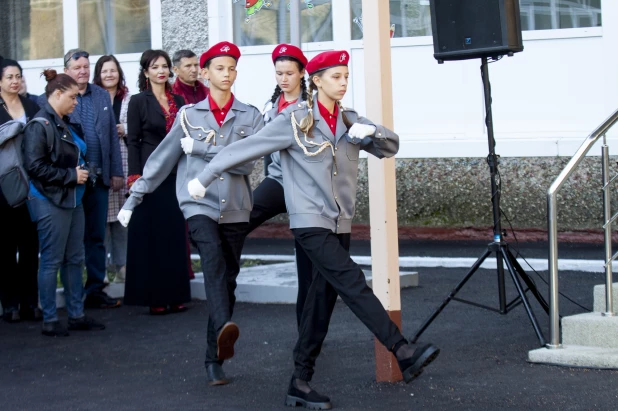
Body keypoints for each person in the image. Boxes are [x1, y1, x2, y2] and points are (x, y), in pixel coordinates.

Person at [185, 50, 440, 409]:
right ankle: (402, 349)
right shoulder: (294, 120)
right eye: (336, 76)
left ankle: (299, 382)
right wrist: (204, 177)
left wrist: (374, 132)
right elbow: (244, 149)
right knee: (351, 280)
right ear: (316, 81)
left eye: (346, 76)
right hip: (309, 222)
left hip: (340, 223)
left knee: (320, 304)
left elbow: (391, 146)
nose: (343, 82)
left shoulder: (351, 121)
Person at [118, 41, 264, 386]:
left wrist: (202, 148)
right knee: (211, 259)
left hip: (236, 207)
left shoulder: (251, 115)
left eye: (231, 69)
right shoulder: (188, 116)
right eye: (219, 68)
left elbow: (246, 163)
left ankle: (216, 350)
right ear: (205, 73)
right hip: (198, 204)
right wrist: (133, 198)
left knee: (227, 278)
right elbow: (162, 159)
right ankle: (221, 340)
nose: (226, 74)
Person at [23, 69, 105, 336]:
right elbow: (34, 166)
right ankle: (50, 320)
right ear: (57, 95)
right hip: (51, 200)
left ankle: (76, 315)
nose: (76, 102)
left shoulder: (63, 121)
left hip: (72, 199)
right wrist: (72, 175)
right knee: (51, 260)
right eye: (72, 97)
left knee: (75, 258)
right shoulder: (40, 125)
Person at [245, 44, 313, 328]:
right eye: (279, 73)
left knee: (307, 264)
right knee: (241, 217)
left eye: (289, 73)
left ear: (301, 74)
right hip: (277, 181)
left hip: (306, 189)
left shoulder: (313, 107)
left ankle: (306, 332)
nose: (283, 78)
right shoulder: (270, 108)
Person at [123, 49, 191, 315]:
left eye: (164, 66)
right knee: (151, 236)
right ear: (146, 72)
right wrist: (135, 176)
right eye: (155, 67)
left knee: (173, 234)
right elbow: (133, 141)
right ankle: (154, 297)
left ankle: (175, 295)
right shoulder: (139, 101)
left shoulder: (179, 99)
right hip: (149, 175)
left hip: (175, 174)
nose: (161, 71)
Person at [59, 48, 124, 309]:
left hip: (99, 179)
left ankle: (96, 288)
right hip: (71, 180)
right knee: (73, 238)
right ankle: (75, 290)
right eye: (77, 67)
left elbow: (110, 135)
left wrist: (116, 171)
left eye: (86, 66)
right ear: (67, 71)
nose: (83, 71)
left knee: (97, 236)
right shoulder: (57, 96)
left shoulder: (100, 95)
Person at [0, 59, 41, 323]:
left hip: (31, 185)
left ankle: (30, 302)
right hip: (2, 187)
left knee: (29, 246)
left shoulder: (32, 105)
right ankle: (10, 305)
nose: (15, 81)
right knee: (5, 248)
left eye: (18, 76)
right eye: (9, 77)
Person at [171, 49, 209, 280]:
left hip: (208, 161)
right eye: (188, 66)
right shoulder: (173, 95)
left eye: (196, 65)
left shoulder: (206, 91)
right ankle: (185, 270)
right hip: (185, 164)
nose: (194, 69)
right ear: (176, 70)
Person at [93, 55, 130, 283]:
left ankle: (123, 266)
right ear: (98, 74)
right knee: (102, 221)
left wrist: (124, 128)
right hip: (102, 164)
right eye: (104, 71)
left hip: (125, 162)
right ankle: (103, 268)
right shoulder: (91, 98)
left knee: (122, 220)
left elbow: (137, 125)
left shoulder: (129, 98)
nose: (109, 75)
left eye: (113, 70)